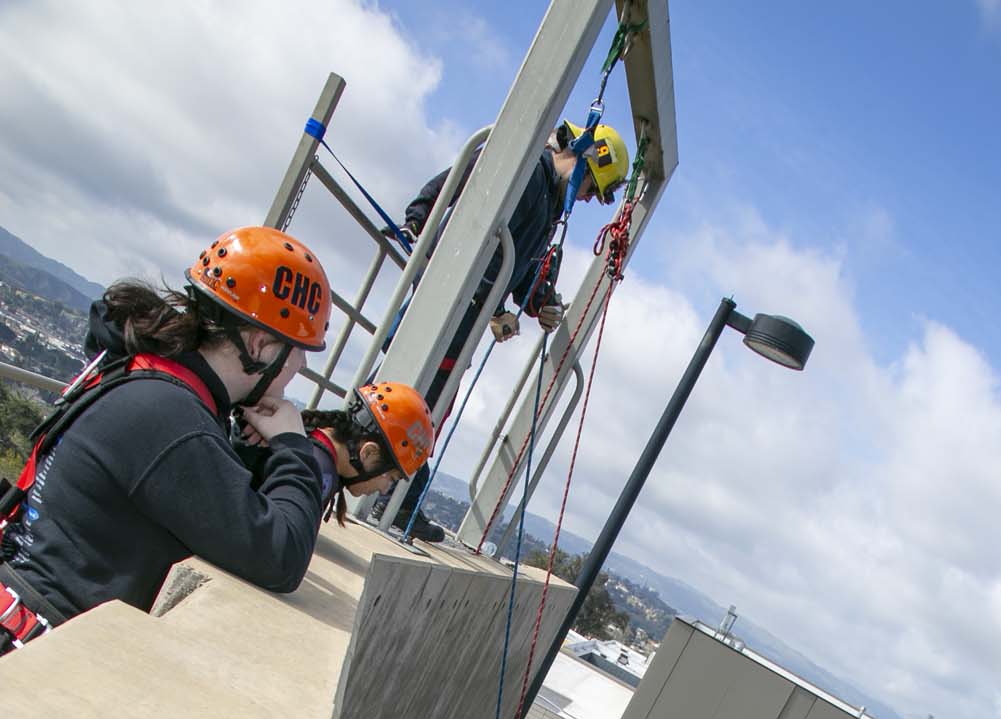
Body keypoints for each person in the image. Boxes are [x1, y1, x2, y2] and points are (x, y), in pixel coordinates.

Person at [0, 226, 332, 653]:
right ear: (260, 346)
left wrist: (255, 451)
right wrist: (292, 446)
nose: (300, 366)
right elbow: (281, 556)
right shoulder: (175, 419)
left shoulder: (158, 380)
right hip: (34, 646)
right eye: (298, 351)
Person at [386, 119, 630, 542]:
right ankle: (391, 495)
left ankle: (396, 495)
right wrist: (418, 219)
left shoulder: (548, 203)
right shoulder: (526, 170)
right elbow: (464, 193)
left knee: (430, 404)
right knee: (418, 397)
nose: (589, 199)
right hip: (452, 301)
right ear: (583, 159)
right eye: (593, 187)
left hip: (466, 312)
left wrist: (541, 303)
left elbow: (523, 267)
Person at [240, 380, 433, 525]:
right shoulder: (319, 473)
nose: (384, 490)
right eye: (391, 478)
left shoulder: (311, 446)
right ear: (368, 453)